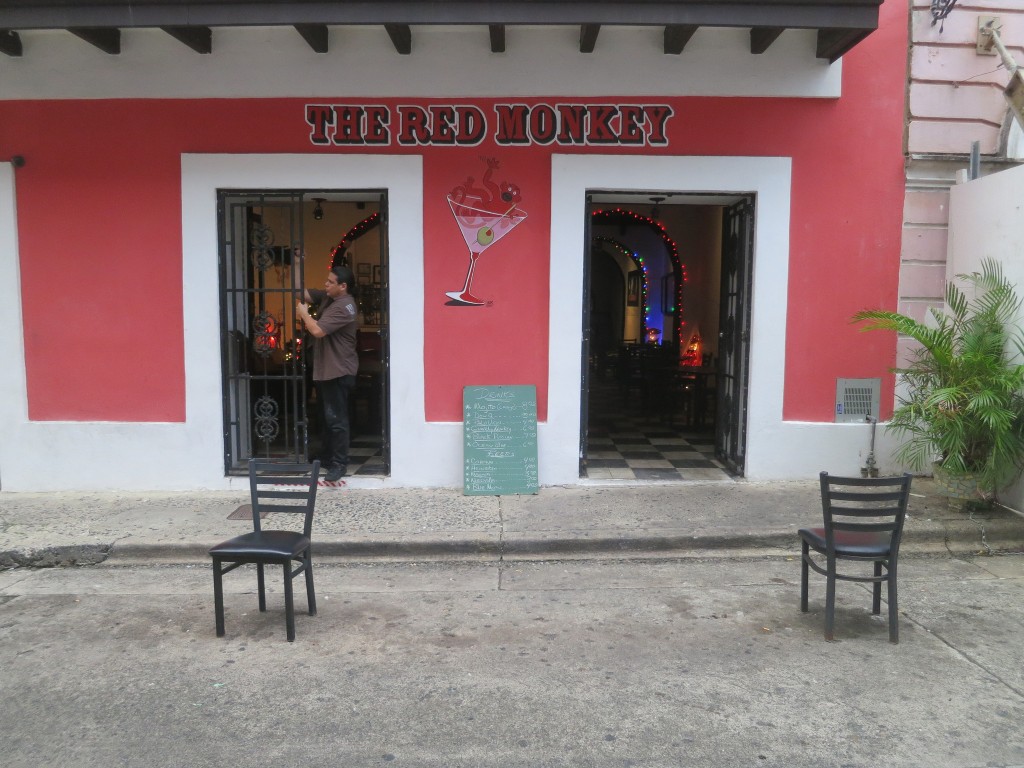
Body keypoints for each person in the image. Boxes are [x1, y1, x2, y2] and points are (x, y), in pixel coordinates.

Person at [297, 264, 359, 482]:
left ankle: (339, 463)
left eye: (330, 282)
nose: (326, 284)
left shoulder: (344, 306)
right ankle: (326, 455)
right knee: (326, 417)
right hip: (326, 370)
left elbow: (317, 330)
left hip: (338, 370)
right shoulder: (330, 298)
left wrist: (304, 314)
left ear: (343, 286)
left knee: (337, 419)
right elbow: (298, 291)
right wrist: (297, 263)